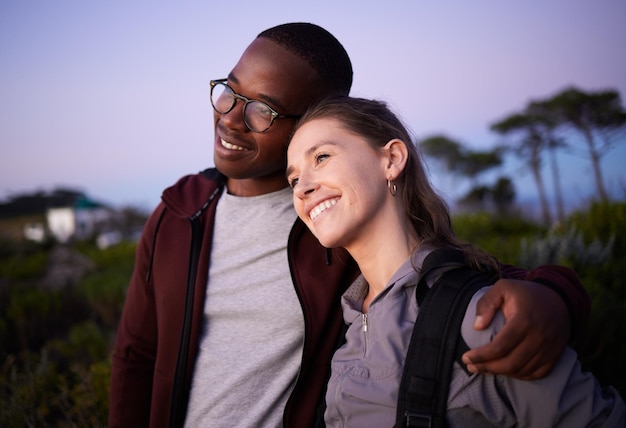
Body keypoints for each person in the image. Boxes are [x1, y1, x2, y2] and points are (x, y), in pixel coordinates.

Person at [109, 23, 591, 428]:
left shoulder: (333, 220)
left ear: (311, 121)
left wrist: (556, 295)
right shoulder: (178, 213)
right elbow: (135, 357)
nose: (231, 117)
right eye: (229, 90)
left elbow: (447, 276)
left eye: (263, 109)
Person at [286, 95, 625, 427]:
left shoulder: (483, 317)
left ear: (391, 159)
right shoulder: (344, 323)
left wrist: (557, 295)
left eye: (322, 157)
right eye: (294, 178)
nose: (302, 188)